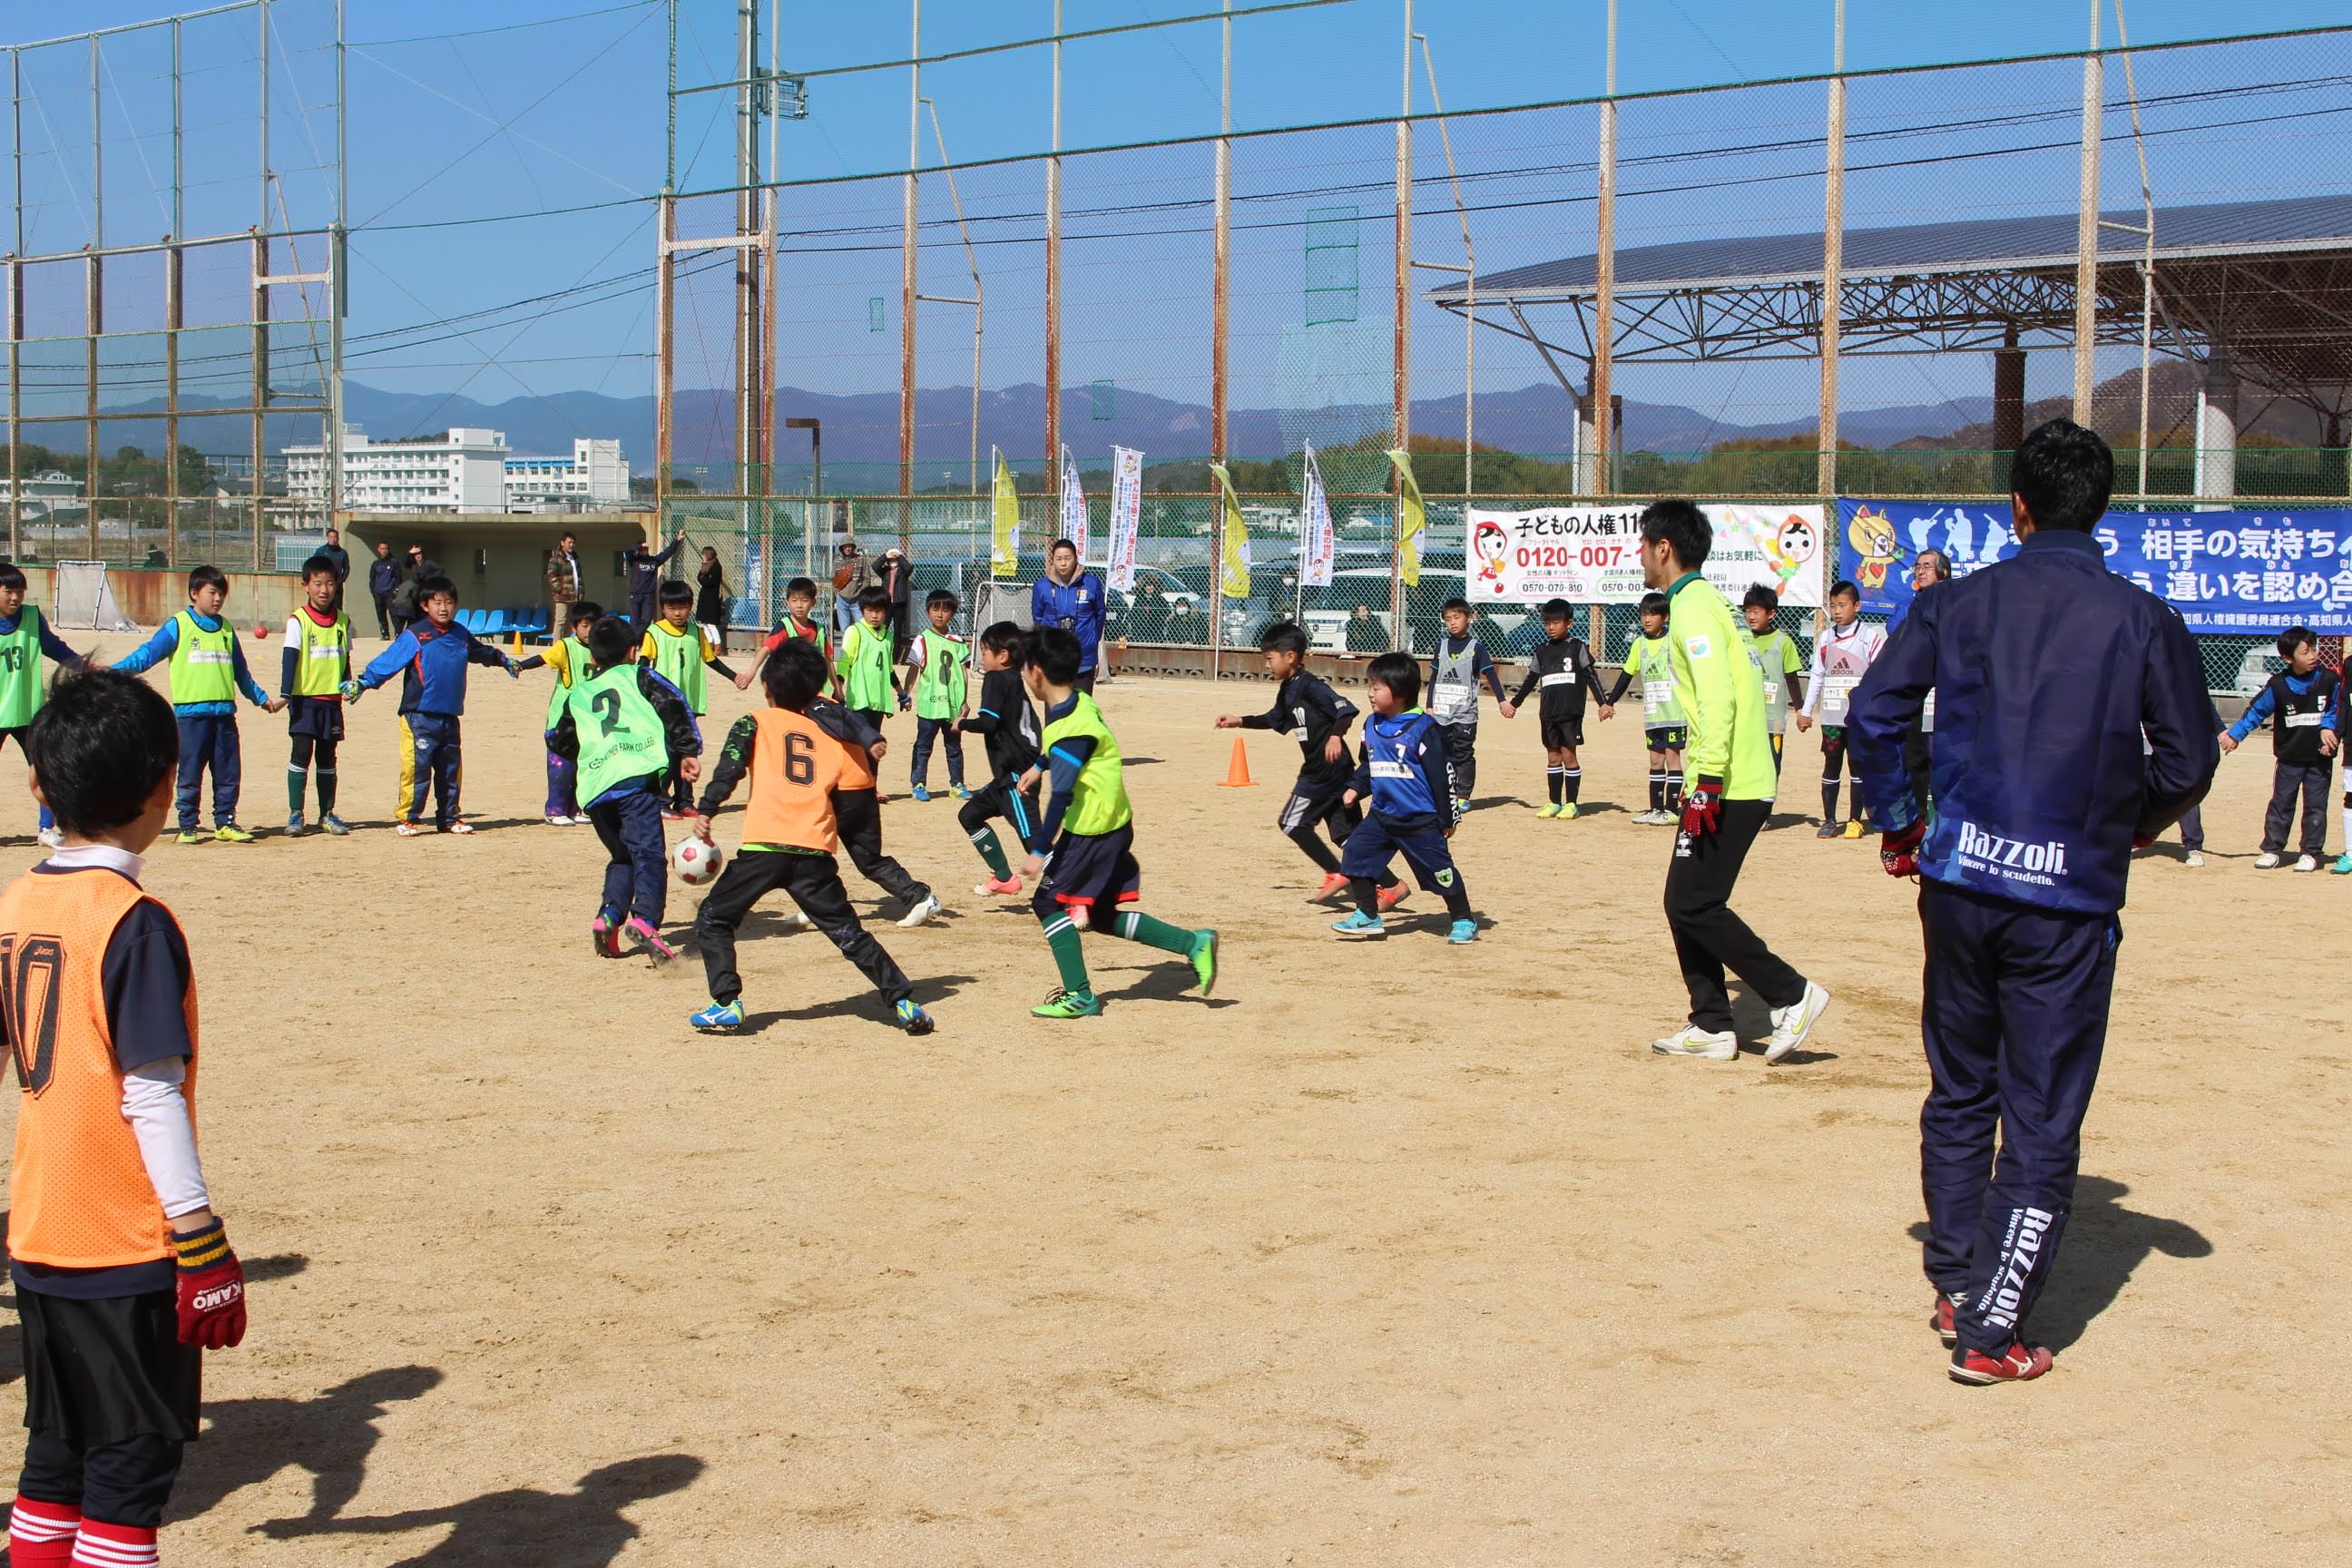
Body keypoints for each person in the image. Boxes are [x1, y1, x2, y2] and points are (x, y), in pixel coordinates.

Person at [1848, 416, 2217, 1385]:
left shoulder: (1953, 603)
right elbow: (2189, 760)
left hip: (1961, 883)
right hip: (2065, 898)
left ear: (2016, 507)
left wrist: (1902, 821)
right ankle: (1988, 1329)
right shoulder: (2142, 620)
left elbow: (1874, 711)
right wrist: (2126, 822)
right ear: (2101, 511)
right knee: (2042, 1115)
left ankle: (1957, 1280)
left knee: (1962, 1087)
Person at [0, 669, 250, 1568]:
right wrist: (199, 1236)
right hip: (122, 1243)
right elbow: (149, 1092)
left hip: (39, 1233)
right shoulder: (133, 923)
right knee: (129, 1472)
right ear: (164, 787)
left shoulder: (16, 902)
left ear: (40, 785)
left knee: (57, 1456)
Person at [1637, 498, 1828, 1065]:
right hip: (1729, 777)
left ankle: (1793, 994)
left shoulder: (1693, 607)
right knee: (1685, 901)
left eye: (1644, 544)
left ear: (1664, 548)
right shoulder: (1699, 602)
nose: (1639, 554)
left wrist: (1709, 780)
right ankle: (1713, 1024)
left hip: (1731, 781)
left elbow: (1717, 696)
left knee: (1694, 903)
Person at [684, 638, 936, 1036]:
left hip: (764, 848)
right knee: (849, 934)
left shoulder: (754, 722)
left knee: (714, 918)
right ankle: (904, 1000)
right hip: (815, 853)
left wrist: (706, 810)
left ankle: (726, 1003)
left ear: (767, 687)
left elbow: (729, 769)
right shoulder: (828, 739)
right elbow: (850, 793)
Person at [1017, 627, 1218, 1017]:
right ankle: (1194, 943)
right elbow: (1071, 750)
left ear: (1037, 671)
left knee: (1047, 902)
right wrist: (1040, 764)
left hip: (1091, 830)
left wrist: (1039, 850)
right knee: (1103, 914)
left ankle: (1080, 995)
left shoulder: (1069, 731)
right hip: (1113, 823)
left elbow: (1061, 795)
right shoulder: (1080, 703)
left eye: (1025, 668)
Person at [547, 615, 702, 965]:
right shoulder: (640, 675)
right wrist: (688, 750)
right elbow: (674, 704)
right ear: (634, 651)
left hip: (597, 790)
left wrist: (593, 751)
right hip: (635, 780)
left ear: (592, 657)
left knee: (623, 856)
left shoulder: (578, 694)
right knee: (648, 856)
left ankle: (609, 916)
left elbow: (558, 740)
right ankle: (645, 920)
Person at [1215, 621, 1395, 905]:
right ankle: (1393, 885)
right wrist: (1240, 721)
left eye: (1269, 659)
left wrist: (1335, 736)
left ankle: (1335, 872)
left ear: (1290, 657)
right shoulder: (1288, 689)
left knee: (1291, 823)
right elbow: (1274, 719)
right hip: (1335, 770)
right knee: (1346, 836)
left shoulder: (1312, 686)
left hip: (1323, 771)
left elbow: (1345, 709)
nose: (1267, 665)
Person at [346, 575, 534, 837]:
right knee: (417, 769)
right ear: (425, 605)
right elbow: (389, 661)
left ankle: (449, 818)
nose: (444, 608)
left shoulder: (460, 634)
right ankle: (408, 818)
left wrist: (504, 660)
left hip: (450, 715)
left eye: (449, 602)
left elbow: (482, 652)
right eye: (437, 602)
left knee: (450, 770)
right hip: (419, 716)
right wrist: (363, 683)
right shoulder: (415, 635)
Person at [108, 564, 283, 844]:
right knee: (190, 773)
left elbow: (241, 672)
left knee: (228, 773)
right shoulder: (179, 625)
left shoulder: (226, 629)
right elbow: (147, 655)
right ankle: (188, 825)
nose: (218, 598)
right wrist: (112, 672)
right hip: (191, 718)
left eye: (222, 593)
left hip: (224, 716)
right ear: (194, 593)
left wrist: (261, 698)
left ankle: (226, 822)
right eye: (212, 592)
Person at [1328, 651, 1479, 945]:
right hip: (1382, 815)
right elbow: (1370, 765)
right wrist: (1355, 788)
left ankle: (1463, 919)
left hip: (1419, 819)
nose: (1370, 693)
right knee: (1356, 852)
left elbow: (1442, 778)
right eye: (1369, 686)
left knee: (1441, 873)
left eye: (1376, 687)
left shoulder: (1425, 730)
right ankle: (1367, 915)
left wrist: (1448, 818)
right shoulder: (1371, 725)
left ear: (1399, 693)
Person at [2219, 624, 2339, 871]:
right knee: (2281, 803)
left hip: (2320, 758)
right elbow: (2256, 711)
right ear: (2287, 658)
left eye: (2314, 649)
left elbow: (2337, 709)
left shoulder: (2329, 680)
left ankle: (2311, 852)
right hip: (2289, 757)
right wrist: (2235, 735)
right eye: (2305, 652)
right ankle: (2272, 850)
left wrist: (2329, 728)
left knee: (2316, 807)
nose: (2313, 655)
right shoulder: (2278, 685)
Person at [0, 561, 93, 848]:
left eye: (20, 592)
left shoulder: (31, 617)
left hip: (29, 711)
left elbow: (53, 646)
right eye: (8, 592)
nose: (15, 598)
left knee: (47, 768)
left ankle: (46, 828)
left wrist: (83, 665)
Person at [957, 622, 1044, 897]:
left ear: (1003, 655)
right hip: (1006, 778)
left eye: (984, 652)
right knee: (969, 815)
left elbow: (988, 723)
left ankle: (1078, 893)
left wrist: (962, 724)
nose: (981, 657)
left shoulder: (996, 679)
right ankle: (1004, 877)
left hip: (1018, 779)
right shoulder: (1013, 679)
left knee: (1035, 844)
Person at [1795, 579, 1886, 838]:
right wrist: (1806, 711)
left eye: (1842, 605)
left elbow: (1881, 674)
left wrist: (1877, 710)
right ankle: (1829, 820)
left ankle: (1855, 820)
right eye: (1833, 605)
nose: (1836, 611)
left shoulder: (1869, 637)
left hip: (1859, 719)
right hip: (1832, 718)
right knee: (1831, 764)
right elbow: (1817, 675)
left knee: (1858, 767)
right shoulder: (1826, 638)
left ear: (1856, 606)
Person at [640, 581, 740, 818]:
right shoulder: (655, 632)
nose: (678, 613)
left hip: (689, 704)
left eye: (683, 607)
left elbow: (711, 660)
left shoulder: (696, 632)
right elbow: (643, 665)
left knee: (686, 752)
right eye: (672, 608)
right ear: (663, 608)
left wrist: (734, 676)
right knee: (668, 753)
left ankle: (684, 801)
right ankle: (660, 801)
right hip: (664, 705)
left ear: (691, 607)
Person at [1504, 598, 1612, 819]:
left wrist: (1603, 703)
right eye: (1547, 623)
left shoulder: (1577, 647)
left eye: (1556, 622)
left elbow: (1590, 676)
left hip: (1570, 712)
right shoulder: (1542, 650)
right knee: (1553, 757)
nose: (1551, 627)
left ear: (1569, 623)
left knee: (1568, 756)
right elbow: (1531, 679)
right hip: (1548, 712)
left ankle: (1571, 804)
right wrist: (1515, 703)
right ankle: (1554, 802)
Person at [279, 554, 353, 839]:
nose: (324, 590)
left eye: (330, 583)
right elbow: (290, 658)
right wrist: (285, 694)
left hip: (331, 703)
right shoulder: (298, 621)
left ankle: (327, 813)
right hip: (305, 700)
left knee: (327, 757)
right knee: (300, 754)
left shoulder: (343, 621)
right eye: (318, 584)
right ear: (306, 586)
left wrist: (347, 685)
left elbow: (344, 658)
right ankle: (295, 813)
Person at [1602, 593, 1686, 825]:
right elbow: (1626, 675)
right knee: (1655, 761)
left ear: (1665, 617)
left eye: (1653, 615)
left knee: (1672, 759)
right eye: (1643, 615)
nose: (1647, 619)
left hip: (1675, 713)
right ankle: (1656, 809)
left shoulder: (1674, 641)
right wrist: (1610, 702)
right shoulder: (1639, 644)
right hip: (1653, 714)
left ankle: (1672, 810)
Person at [1426, 597, 1507, 813]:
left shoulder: (1476, 648)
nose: (1452, 623)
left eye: (1456, 617)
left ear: (1468, 618)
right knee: (1442, 753)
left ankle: (1463, 795)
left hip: (1464, 713)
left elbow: (1490, 674)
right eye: (1447, 619)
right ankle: (1446, 793)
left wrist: (1502, 701)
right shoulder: (1441, 646)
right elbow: (1434, 678)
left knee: (1463, 753)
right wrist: (1429, 705)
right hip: (1441, 711)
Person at [538, 602, 604, 827]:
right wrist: (519, 666)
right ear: (575, 627)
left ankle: (576, 808)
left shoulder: (601, 650)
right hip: (562, 720)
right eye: (585, 625)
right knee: (561, 766)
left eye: (594, 625)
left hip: (588, 719)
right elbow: (543, 659)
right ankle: (555, 810)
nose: (590, 631)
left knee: (582, 765)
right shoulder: (566, 646)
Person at [900, 588, 969, 801]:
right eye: (935, 609)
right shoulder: (922, 639)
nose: (940, 614)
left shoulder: (958, 641)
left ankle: (957, 784)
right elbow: (914, 669)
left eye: (946, 610)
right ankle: (918, 784)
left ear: (953, 613)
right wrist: (906, 693)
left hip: (952, 706)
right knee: (923, 746)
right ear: (928, 611)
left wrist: (964, 701)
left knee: (954, 746)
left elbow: (964, 672)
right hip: (929, 706)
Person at [1740, 585, 1807, 780]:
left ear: (1771, 614)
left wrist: (1800, 709)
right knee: (1746, 763)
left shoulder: (1783, 642)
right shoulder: (1741, 640)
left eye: (1756, 611)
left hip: (1773, 718)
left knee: (1772, 764)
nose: (1751, 616)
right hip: (1746, 716)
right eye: (1747, 611)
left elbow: (1791, 678)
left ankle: (1768, 798)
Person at [1030, 539, 1107, 692]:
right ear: (1053, 560)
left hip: (1083, 657)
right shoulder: (1042, 586)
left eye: (1067, 558)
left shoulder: (1091, 583)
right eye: (1058, 559)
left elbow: (1100, 614)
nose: (1063, 563)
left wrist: (1092, 639)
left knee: (1082, 703)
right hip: (1053, 657)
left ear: (1076, 558)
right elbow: (1038, 617)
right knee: (1055, 704)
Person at [744, 576, 837, 697]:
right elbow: (766, 649)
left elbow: (827, 660)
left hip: (816, 694)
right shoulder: (784, 626)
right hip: (791, 693)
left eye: (804, 600)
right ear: (787, 603)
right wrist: (750, 673)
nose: (799, 605)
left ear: (813, 602)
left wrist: (838, 688)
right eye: (794, 600)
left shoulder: (819, 629)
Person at [835, 586, 897, 746]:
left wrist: (902, 693)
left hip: (879, 701)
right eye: (869, 610)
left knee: (874, 744)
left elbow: (889, 669)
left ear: (886, 611)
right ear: (862, 610)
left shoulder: (888, 636)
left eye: (879, 611)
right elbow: (844, 662)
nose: (874, 615)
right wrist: (838, 688)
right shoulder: (855, 631)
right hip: (859, 700)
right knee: (859, 744)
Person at [622, 529, 683, 632]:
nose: (644, 551)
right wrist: (640, 545)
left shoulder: (654, 561)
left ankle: (636, 638)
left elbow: (667, 553)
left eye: (646, 549)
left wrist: (677, 540)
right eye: (642, 549)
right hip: (635, 594)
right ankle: (637, 639)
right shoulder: (634, 560)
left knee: (647, 619)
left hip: (648, 595)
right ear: (638, 550)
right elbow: (627, 550)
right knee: (635, 620)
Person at [866, 545, 916, 658]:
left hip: (899, 603)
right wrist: (885, 556)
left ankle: (895, 656)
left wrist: (899, 556)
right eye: (891, 558)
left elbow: (908, 568)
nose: (893, 560)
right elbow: (875, 566)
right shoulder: (885, 571)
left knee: (898, 630)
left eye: (895, 558)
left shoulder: (903, 572)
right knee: (883, 627)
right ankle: (881, 651)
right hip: (886, 604)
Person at [546, 530, 585, 638]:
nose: (572, 545)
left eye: (573, 543)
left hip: (575, 596)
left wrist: (581, 591)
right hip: (562, 597)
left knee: (570, 622)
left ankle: (565, 644)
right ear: (562, 543)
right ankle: (556, 646)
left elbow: (579, 577)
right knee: (560, 621)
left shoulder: (575, 558)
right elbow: (551, 576)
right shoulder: (556, 558)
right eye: (569, 542)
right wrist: (560, 589)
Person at [695, 546, 730, 650]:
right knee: (704, 623)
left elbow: (709, 582)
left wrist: (703, 579)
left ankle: (718, 645)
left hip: (712, 598)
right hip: (704, 596)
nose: (702, 556)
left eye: (704, 554)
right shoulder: (705, 566)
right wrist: (703, 579)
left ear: (708, 555)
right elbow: (699, 578)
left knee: (711, 623)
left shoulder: (716, 567)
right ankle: (710, 643)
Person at [368, 541, 400, 640]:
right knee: (381, 614)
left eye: (385, 548)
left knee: (394, 614)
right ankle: (385, 633)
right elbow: (372, 578)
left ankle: (398, 633)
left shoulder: (394, 563)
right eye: (382, 549)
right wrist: (373, 591)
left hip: (390, 593)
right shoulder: (375, 564)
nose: (384, 550)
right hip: (378, 593)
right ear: (378, 550)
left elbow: (398, 577)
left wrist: (396, 590)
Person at [317, 526, 350, 612]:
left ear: (338, 538)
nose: (333, 539)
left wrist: (342, 579)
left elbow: (346, 567)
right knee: (323, 607)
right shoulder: (321, 551)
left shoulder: (342, 553)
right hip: (324, 584)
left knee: (337, 608)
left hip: (337, 585)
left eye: (335, 537)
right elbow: (314, 565)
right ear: (328, 538)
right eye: (331, 537)